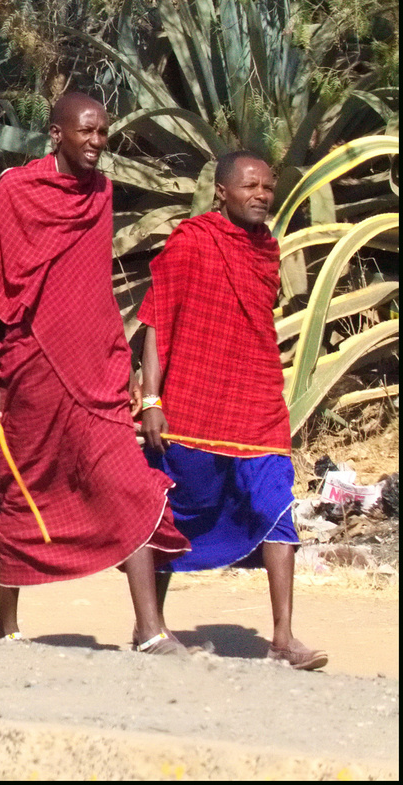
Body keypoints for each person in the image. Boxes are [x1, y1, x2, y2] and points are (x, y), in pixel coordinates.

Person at [0, 92, 191, 654]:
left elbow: (91, 284)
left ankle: (149, 629)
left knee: (130, 485)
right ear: (56, 134)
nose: (98, 142)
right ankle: (7, 622)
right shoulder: (16, 191)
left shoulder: (102, 193)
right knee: (20, 488)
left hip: (96, 368)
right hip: (28, 371)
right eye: (87, 131)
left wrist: (124, 359)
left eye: (104, 132)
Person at [135, 151, 327, 669]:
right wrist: (151, 399)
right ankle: (148, 624)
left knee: (275, 503)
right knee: (174, 515)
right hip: (193, 403)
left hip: (256, 400)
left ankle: (284, 638)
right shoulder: (192, 241)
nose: (262, 194)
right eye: (250, 185)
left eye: (269, 186)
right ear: (222, 191)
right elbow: (157, 321)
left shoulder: (269, 249)